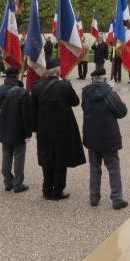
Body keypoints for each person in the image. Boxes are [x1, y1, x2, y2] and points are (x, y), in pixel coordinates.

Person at [30, 58, 86, 200]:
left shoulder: (36, 87)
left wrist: (34, 129)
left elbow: (32, 109)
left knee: (46, 157)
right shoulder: (64, 86)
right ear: (58, 71)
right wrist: (66, 83)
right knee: (61, 158)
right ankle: (58, 191)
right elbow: (75, 102)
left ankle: (47, 190)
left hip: (44, 129)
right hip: (62, 129)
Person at [82, 67, 128, 209]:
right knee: (113, 167)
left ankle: (94, 196)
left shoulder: (85, 92)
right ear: (104, 79)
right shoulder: (111, 94)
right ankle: (117, 198)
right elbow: (122, 112)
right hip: (109, 136)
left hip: (91, 135)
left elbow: (85, 108)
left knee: (94, 168)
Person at [0, 66, 32, 193]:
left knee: (6, 155)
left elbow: (1, 105)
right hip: (18, 127)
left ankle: (8, 181)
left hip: (4, 126)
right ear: (16, 76)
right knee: (19, 156)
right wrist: (29, 132)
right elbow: (26, 115)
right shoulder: (22, 92)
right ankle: (18, 184)